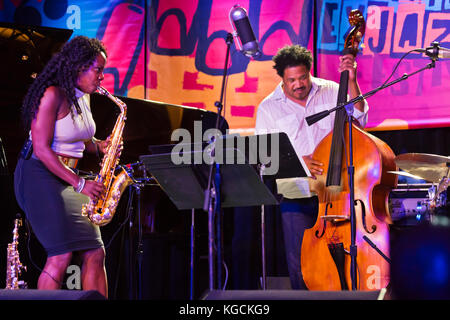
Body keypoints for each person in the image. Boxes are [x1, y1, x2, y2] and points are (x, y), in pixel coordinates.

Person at [255, 44, 368, 289]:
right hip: (296, 195)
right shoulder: (268, 107)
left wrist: (352, 82)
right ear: (282, 79)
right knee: (300, 267)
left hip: (336, 192)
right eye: (292, 80)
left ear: (310, 71)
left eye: (303, 77)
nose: (298, 84)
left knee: (347, 260)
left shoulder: (331, 90)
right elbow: (264, 159)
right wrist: (297, 162)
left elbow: (361, 118)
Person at [14, 36, 111, 297]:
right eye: (98, 69)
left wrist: (100, 146)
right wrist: (80, 184)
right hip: (38, 175)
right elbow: (43, 150)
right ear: (79, 66)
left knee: (95, 251)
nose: (102, 76)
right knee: (61, 254)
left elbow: (79, 138)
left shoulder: (83, 96)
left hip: (67, 176)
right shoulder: (51, 94)